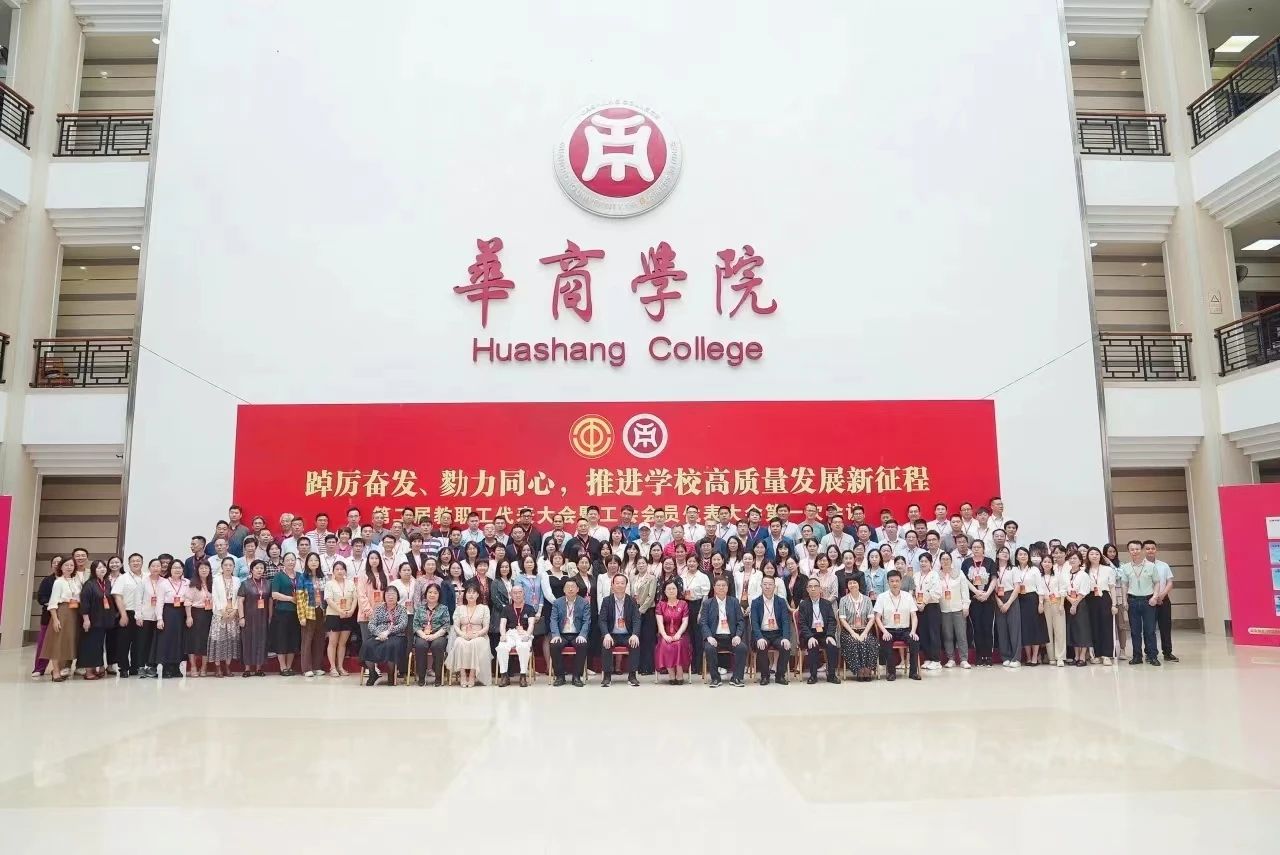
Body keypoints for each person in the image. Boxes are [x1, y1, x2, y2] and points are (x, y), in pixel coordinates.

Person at [872, 569, 921, 681]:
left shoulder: (908, 596)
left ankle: (913, 673)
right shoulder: (882, 597)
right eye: (892, 581)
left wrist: (913, 632)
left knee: (914, 641)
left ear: (901, 581)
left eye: (897, 581)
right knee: (886, 641)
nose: (894, 583)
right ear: (888, 582)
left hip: (905, 630)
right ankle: (891, 673)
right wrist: (884, 632)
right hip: (888, 630)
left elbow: (914, 616)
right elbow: (877, 617)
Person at [1120, 540, 1161, 665]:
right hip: (1132, 601)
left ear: (1141, 550)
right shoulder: (1125, 567)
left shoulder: (1151, 566)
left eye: (1137, 549)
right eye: (1132, 549)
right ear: (1129, 551)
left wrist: (1155, 597)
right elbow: (1124, 584)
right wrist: (1124, 600)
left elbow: (1157, 582)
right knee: (1135, 631)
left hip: (1148, 601)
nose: (1135, 551)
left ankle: (1152, 656)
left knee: (1150, 630)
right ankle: (1137, 656)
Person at [598, 573, 641, 687]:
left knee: (635, 643)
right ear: (612, 585)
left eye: (622, 583)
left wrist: (635, 634)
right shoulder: (606, 601)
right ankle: (607, 676)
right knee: (606, 643)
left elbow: (637, 619)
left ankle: (632, 676)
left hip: (627, 634)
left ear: (626, 585)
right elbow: (602, 620)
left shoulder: (632, 601)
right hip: (612, 634)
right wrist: (606, 634)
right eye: (617, 583)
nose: (620, 585)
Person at [748, 575, 792, 685]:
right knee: (761, 646)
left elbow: (785, 621)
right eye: (765, 584)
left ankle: (780, 676)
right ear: (761, 586)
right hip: (762, 633)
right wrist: (759, 638)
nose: (767, 587)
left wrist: (786, 638)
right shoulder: (756, 602)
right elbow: (754, 623)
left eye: (770, 584)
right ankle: (765, 676)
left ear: (774, 586)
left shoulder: (781, 601)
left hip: (777, 634)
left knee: (785, 646)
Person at [447, 584, 492, 687]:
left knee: (475, 643)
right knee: (459, 642)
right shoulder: (459, 608)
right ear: (465, 595)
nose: (471, 595)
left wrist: (477, 634)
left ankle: (472, 675)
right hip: (463, 635)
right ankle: (463, 674)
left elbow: (486, 627)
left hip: (479, 636)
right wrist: (462, 634)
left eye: (474, 593)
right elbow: (456, 626)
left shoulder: (484, 608)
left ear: (478, 595)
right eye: (469, 592)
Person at [363, 585, 408, 686]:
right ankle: (372, 673)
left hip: (396, 635)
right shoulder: (379, 608)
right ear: (384, 596)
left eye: (393, 594)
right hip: (379, 635)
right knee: (367, 645)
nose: (390, 597)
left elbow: (403, 624)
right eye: (388, 594)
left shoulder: (402, 609)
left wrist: (388, 632)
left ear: (397, 596)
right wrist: (379, 633)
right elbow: (371, 624)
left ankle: (391, 674)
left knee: (391, 646)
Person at [549, 577, 591, 686]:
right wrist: (555, 635)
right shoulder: (557, 602)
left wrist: (582, 635)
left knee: (582, 645)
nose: (570, 589)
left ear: (578, 589)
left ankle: (576, 677)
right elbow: (553, 620)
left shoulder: (584, 602)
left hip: (577, 634)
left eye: (573, 587)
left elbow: (587, 621)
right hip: (562, 634)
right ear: (564, 589)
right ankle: (560, 677)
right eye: (568, 587)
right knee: (554, 645)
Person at [797, 577, 839, 684]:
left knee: (832, 645)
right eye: (810, 587)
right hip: (810, 633)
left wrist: (830, 635)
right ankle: (813, 675)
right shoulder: (803, 604)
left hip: (825, 633)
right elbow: (802, 624)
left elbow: (832, 621)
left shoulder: (827, 604)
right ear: (807, 589)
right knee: (812, 645)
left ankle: (832, 675)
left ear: (820, 589)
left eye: (815, 586)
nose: (813, 589)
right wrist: (810, 637)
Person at [77, 560, 113, 680]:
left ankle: (95, 668)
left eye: (103, 567)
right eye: (98, 568)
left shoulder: (107, 583)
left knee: (98, 646)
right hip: (91, 620)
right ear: (93, 570)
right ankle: (88, 672)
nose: (102, 569)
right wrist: (86, 619)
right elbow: (84, 603)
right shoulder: (89, 584)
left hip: (103, 620)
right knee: (89, 645)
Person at [835, 576, 876, 681]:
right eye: (850, 583)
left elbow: (872, 618)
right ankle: (859, 671)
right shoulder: (843, 600)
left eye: (854, 582)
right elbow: (842, 619)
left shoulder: (867, 599)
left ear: (859, 584)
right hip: (848, 631)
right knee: (854, 642)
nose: (852, 585)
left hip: (865, 630)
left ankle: (867, 670)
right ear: (847, 586)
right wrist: (853, 633)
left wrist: (864, 633)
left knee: (869, 642)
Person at [110, 553, 145, 677]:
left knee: (139, 642)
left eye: (138, 560)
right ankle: (123, 668)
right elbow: (117, 597)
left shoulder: (146, 577)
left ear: (142, 562)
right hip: (127, 613)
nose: (136, 563)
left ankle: (136, 667)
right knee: (124, 642)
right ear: (129, 564)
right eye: (133, 561)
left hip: (143, 615)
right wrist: (123, 614)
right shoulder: (123, 578)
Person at [496, 583, 536, 686]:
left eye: (520, 592)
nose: (517, 595)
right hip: (510, 633)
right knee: (501, 647)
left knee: (523, 647)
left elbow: (531, 624)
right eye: (515, 593)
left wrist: (527, 634)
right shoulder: (506, 609)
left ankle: (523, 675)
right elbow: (502, 624)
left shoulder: (530, 608)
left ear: (524, 594)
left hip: (524, 633)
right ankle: (504, 676)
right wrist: (503, 635)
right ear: (511, 595)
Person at [269, 553, 303, 675]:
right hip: (282, 612)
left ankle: (289, 667)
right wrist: (290, 599)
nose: (290, 562)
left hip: (297, 613)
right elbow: (274, 594)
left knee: (293, 640)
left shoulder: (300, 575)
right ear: (283, 562)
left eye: (292, 560)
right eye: (288, 560)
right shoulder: (279, 576)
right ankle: (283, 667)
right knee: (282, 639)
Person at [1144, 540, 1178, 662]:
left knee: (1165, 627)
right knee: (1149, 629)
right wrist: (1153, 597)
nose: (1150, 550)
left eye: (1152, 548)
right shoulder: (1141, 566)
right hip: (1148, 600)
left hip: (1164, 600)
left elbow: (1170, 582)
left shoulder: (1164, 565)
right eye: (1147, 548)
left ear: (1156, 550)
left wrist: (1162, 595)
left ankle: (1167, 653)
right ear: (1143, 550)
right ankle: (1150, 653)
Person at [31, 555, 64, 679]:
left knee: (61, 643)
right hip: (48, 615)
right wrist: (53, 604)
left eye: (59, 562)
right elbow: (41, 598)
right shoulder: (47, 580)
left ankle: (60, 668)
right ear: (51, 565)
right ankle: (39, 668)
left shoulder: (68, 580)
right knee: (43, 643)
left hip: (65, 616)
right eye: (54, 562)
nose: (57, 564)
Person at [964, 544, 997, 666]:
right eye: (974, 547)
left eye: (979, 547)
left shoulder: (990, 562)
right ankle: (979, 656)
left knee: (988, 628)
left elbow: (994, 579)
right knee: (976, 628)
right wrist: (976, 592)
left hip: (988, 600)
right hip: (974, 600)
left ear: (983, 549)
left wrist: (987, 594)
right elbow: (965, 580)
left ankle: (988, 656)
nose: (976, 549)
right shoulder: (967, 562)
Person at [209, 556, 241, 677]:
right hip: (219, 615)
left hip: (233, 614)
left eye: (230, 565)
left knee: (230, 641)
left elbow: (239, 597)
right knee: (218, 640)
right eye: (225, 565)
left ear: (234, 567)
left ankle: (227, 666)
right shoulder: (216, 579)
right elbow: (215, 596)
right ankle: (218, 667)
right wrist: (222, 610)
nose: (228, 567)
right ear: (221, 567)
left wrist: (235, 610)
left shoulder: (237, 580)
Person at [412, 583, 450, 686]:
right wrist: (423, 635)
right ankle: (421, 677)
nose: (432, 595)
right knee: (420, 645)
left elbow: (446, 626)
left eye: (435, 593)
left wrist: (434, 636)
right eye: (430, 592)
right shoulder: (420, 608)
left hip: (438, 635)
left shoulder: (444, 608)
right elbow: (416, 625)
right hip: (422, 635)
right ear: (426, 594)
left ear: (439, 595)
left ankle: (438, 677)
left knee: (437, 645)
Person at [154, 562, 188, 678]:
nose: (177, 570)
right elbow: (159, 602)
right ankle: (166, 668)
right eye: (174, 568)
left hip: (182, 612)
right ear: (170, 569)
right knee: (167, 640)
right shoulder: (163, 583)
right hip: (168, 612)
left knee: (179, 640)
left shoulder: (187, 582)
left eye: (179, 568)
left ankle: (176, 667)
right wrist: (159, 618)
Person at [937, 551, 970, 669]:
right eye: (943, 559)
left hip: (958, 609)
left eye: (947, 559)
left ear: (951, 561)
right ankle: (951, 659)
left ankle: (964, 659)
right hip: (944, 609)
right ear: (940, 561)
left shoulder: (959, 573)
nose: (945, 561)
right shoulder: (936, 575)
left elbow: (964, 590)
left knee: (961, 635)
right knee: (947, 635)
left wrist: (966, 606)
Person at [323, 560, 357, 677]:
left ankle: (340, 667)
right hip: (334, 615)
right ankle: (332, 667)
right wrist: (340, 611)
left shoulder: (351, 583)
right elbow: (329, 600)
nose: (339, 571)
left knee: (342, 643)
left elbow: (355, 598)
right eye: (337, 569)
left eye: (342, 569)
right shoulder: (329, 584)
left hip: (347, 615)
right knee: (332, 642)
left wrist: (351, 610)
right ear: (333, 571)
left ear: (345, 571)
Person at [238, 560, 270, 677]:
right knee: (247, 641)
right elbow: (240, 601)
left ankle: (258, 668)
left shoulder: (267, 583)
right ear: (251, 570)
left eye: (261, 568)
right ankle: (247, 668)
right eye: (257, 568)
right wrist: (241, 617)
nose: (259, 570)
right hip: (248, 617)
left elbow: (270, 601)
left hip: (263, 617)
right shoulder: (245, 584)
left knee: (261, 640)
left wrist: (270, 616)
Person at [298, 552, 328, 677]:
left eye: (316, 560)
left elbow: (327, 596)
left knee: (319, 640)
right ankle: (306, 668)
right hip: (309, 611)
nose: (314, 562)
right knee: (307, 640)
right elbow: (300, 599)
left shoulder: (323, 577)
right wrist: (301, 616)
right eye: (311, 560)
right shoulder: (303, 577)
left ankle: (317, 667)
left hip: (322, 611)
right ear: (307, 563)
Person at [1085, 546, 1115, 665]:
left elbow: (1112, 588)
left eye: (1097, 554)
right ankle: (1095, 654)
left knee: (1106, 626)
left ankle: (1106, 655)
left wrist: (1114, 604)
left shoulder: (1107, 569)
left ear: (1100, 556)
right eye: (1091, 554)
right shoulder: (1084, 570)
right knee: (1093, 626)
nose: (1094, 556)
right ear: (1088, 556)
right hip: (1090, 598)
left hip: (1104, 598)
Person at [184, 560, 214, 677]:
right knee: (192, 640)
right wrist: (189, 616)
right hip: (195, 613)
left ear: (209, 570)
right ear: (197, 570)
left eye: (206, 568)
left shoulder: (213, 583)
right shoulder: (193, 584)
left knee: (206, 641)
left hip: (209, 614)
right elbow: (187, 601)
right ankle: (193, 666)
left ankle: (204, 666)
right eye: (201, 568)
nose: (204, 570)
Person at [137, 558, 164, 678]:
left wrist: (161, 618)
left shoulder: (164, 582)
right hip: (145, 616)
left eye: (158, 566)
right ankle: (141, 666)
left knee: (155, 643)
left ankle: (152, 667)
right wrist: (138, 616)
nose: (156, 568)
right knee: (143, 642)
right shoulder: (143, 581)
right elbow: (138, 599)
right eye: (153, 566)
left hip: (159, 617)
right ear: (149, 568)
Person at [630, 558, 658, 676]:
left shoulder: (652, 578)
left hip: (647, 611)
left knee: (648, 639)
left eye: (643, 563)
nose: (641, 565)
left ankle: (648, 667)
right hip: (635, 610)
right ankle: (639, 666)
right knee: (638, 638)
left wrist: (641, 610)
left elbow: (651, 597)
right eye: (639, 563)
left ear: (647, 565)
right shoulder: (633, 578)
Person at [1044, 547, 1071, 666]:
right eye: (1045, 562)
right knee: (1048, 631)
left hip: (1058, 601)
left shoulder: (1058, 573)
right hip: (1046, 603)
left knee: (1060, 630)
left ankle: (1060, 657)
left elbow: (1063, 589)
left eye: (1049, 562)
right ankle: (1051, 657)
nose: (1047, 564)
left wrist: (1061, 604)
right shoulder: (1042, 574)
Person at [357, 550, 389, 649]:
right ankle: (368, 660)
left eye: (376, 558)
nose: (374, 560)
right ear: (368, 560)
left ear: (380, 560)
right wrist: (369, 612)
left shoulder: (384, 575)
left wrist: (382, 612)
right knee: (368, 643)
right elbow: (361, 595)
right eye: (372, 558)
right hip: (366, 615)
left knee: (380, 642)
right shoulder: (363, 575)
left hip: (382, 615)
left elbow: (388, 594)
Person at [1065, 552, 1092, 667]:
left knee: (1082, 629)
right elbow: (1063, 589)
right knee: (1073, 629)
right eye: (1070, 558)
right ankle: (1076, 656)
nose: (1072, 560)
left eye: (1075, 558)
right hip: (1069, 602)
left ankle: (1082, 657)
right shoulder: (1066, 574)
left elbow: (1083, 592)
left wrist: (1075, 604)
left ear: (1080, 561)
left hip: (1080, 604)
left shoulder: (1083, 575)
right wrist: (1070, 601)